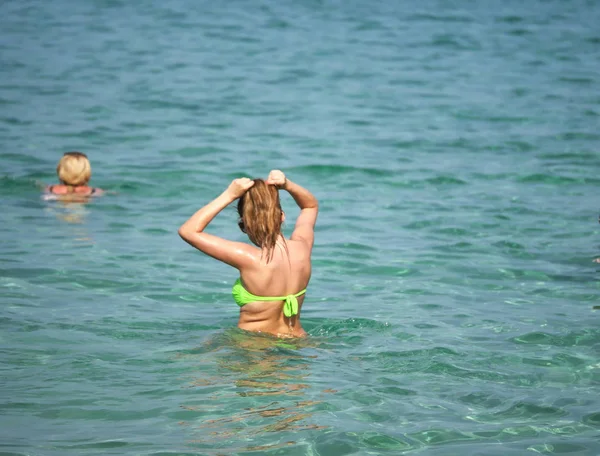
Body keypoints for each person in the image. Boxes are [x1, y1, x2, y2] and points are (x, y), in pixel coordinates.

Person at [178, 170, 318, 338]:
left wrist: (229, 195)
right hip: (297, 341)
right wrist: (287, 184)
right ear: (282, 216)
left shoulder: (247, 257)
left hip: (254, 347)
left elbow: (188, 231)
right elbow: (310, 206)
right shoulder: (302, 248)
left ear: (246, 224)